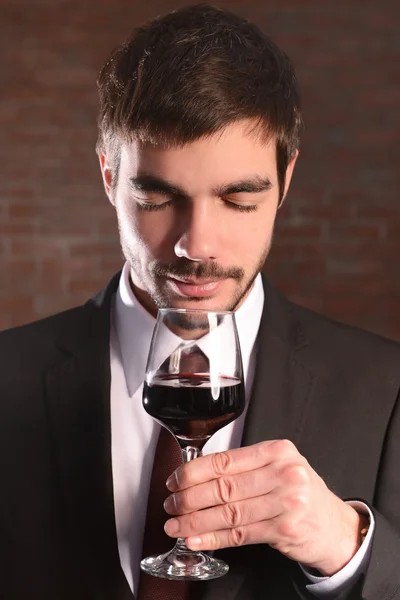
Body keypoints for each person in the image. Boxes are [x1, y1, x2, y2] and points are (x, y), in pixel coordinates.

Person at [1, 4, 400, 599]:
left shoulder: (385, 385)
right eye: (159, 198)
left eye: (239, 199)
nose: (197, 246)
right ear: (110, 176)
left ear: (286, 182)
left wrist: (347, 545)